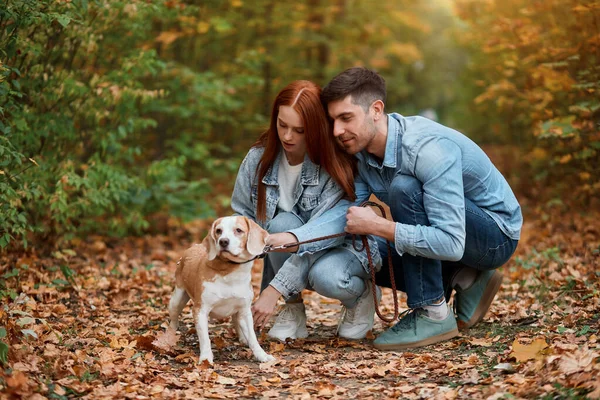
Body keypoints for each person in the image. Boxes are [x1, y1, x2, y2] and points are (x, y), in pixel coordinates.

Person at [301, 67, 522, 350]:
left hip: (495, 237)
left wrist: (381, 226)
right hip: (456, 243)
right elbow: (344, 212)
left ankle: (432, 313)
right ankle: (464, 276)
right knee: (361, 247)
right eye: (333, 121)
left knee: (404, 189)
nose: (337, 131)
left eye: (346, 118)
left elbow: (452, 243)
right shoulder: (361, 154)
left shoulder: (426, 149)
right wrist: (295, 238)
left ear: (376, 110)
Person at [230, 80, 382, 342]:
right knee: (279, 225)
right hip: (290, 244)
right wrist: (231, 291)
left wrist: (273, 290)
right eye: (282, 125)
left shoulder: (334, 165)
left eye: (299, 130)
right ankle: (293, 310)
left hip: (339, 250)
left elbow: (321, 235)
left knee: (325, 276)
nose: (287, 136)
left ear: (316, 129)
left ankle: (362, 295)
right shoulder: (257, 160)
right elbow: (242, 224)